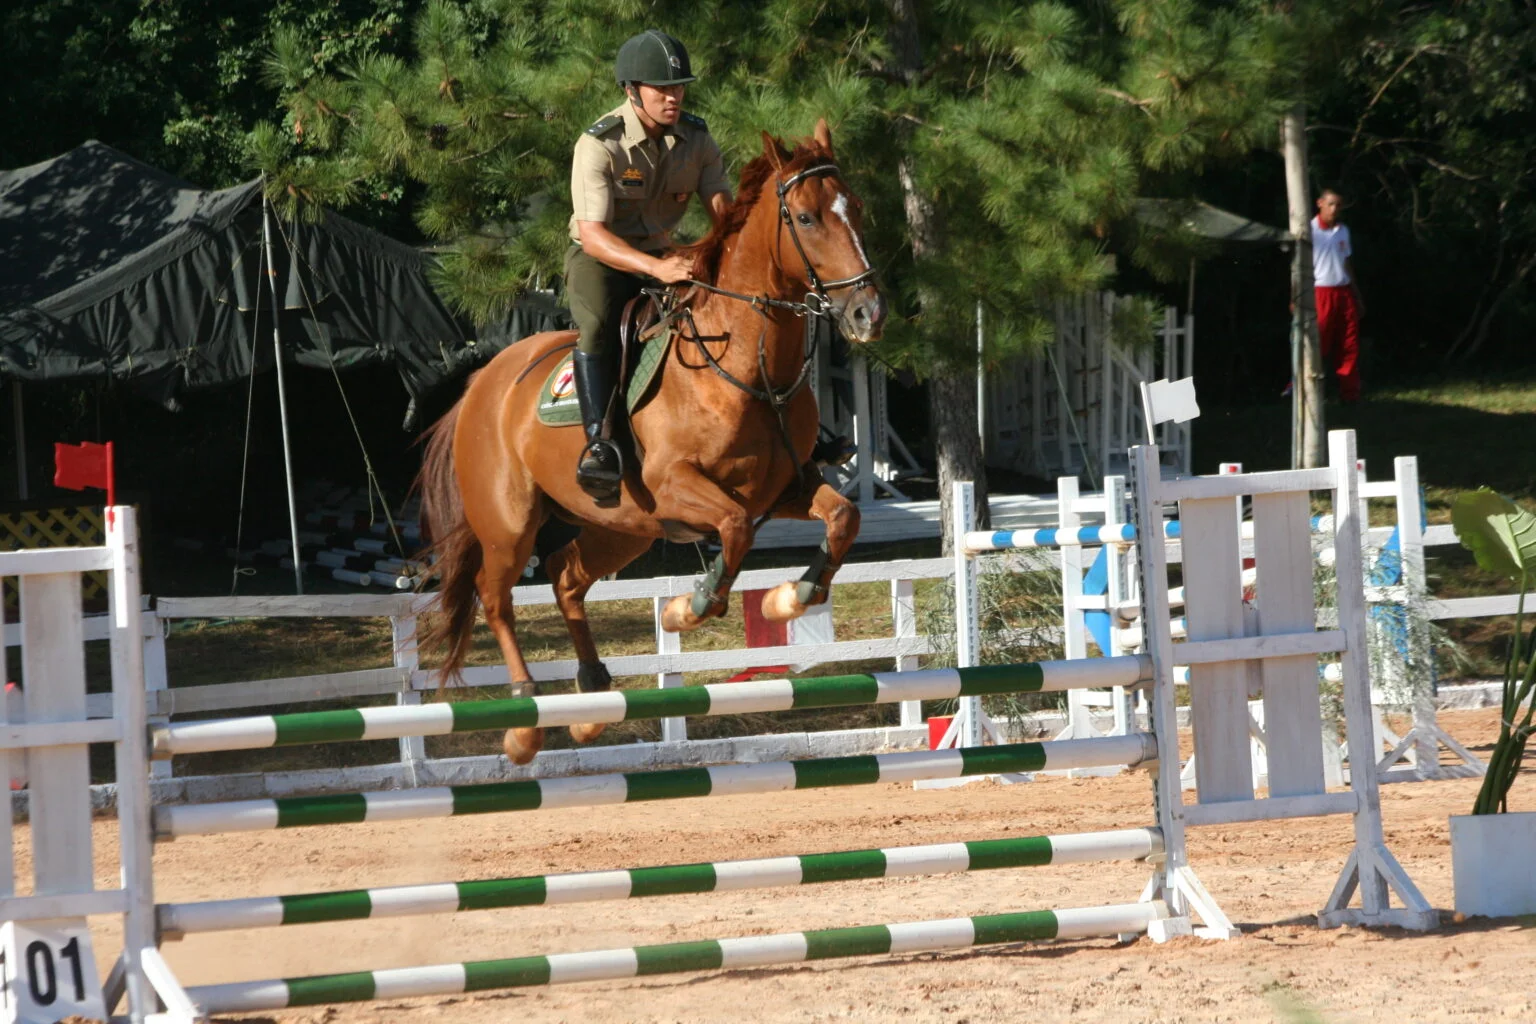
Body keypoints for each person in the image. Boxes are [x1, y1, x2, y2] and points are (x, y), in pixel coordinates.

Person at [566, 29, 733, 505]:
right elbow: (595, 234)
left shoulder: (697, 138)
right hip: (601, 255)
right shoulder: (599, 144)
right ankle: (598, 444)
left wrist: (726, 254)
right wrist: (656, 269)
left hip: (664, 251)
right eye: (661, 88)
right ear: (631, 90)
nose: (673, 97)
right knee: (598, 321)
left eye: (678, 87)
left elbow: (723, 207)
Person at [1312, 188, 1364, 401]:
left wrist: (1356, 294)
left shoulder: (1343, 230)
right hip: (1320, 291)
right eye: (1331, 204)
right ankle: (1308, 392)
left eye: (1338, 205)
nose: (1334, 209)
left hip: (1343, 291)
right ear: (1320, 203)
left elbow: (1346, 262)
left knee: (1349, 343)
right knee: (1318, 342)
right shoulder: (1309, 229)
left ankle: (1349, 393)